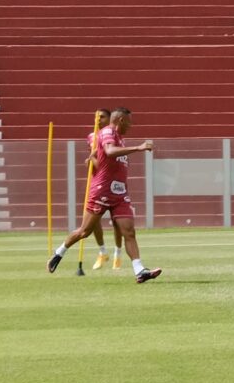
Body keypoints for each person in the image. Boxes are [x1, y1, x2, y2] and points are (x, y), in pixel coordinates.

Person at [49, 108, 160, 281]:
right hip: (102, 190)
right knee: (84, 232)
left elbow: (102, 154)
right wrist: (138, 148)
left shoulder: (120, 138)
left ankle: (139, 270)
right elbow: (109, 151)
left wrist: (94, 155)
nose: (130, 126)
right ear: (121, 120)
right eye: (129, 122)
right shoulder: (108, 132)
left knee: (129, 232)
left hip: (120, 193)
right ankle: (59, 253)